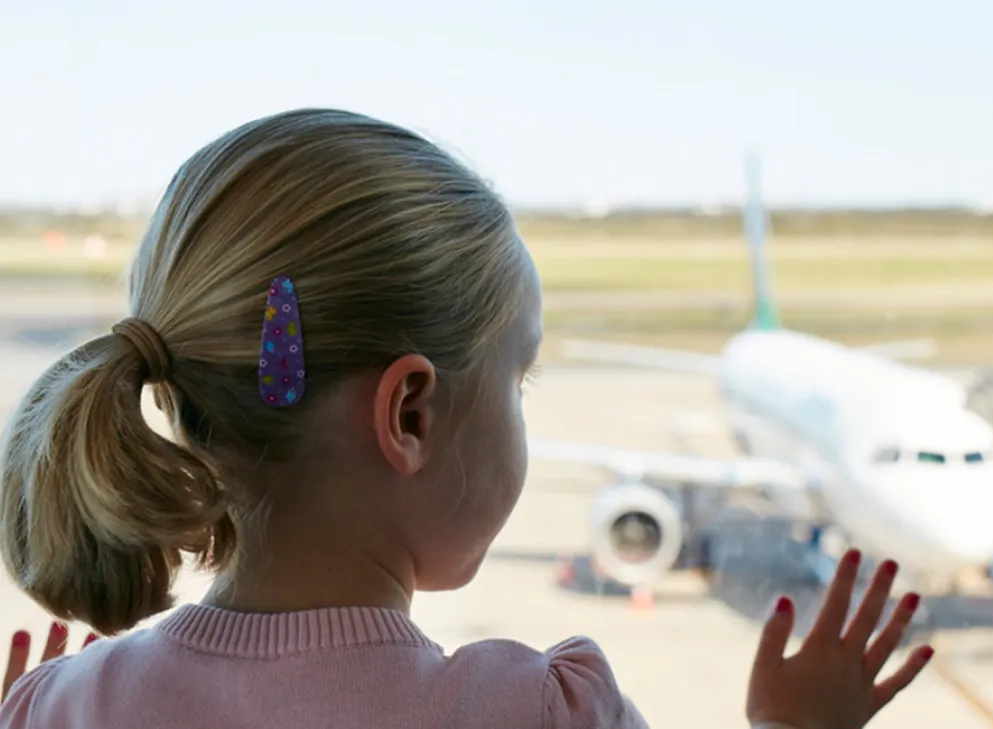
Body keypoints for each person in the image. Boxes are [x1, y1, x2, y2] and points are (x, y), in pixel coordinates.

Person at [0, 108, 933, 728]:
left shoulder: (63, 707)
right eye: (517, 379)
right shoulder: (534, 713)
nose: (523, 408)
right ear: (410, 411)